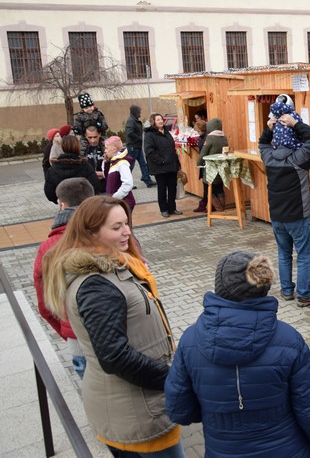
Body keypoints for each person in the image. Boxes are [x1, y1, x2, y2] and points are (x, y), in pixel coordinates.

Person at [41, 196, 184, 458]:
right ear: (90, 233)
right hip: (137, 409)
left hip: (137, 403)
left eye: (126, 223)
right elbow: (114, 356)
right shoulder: (97, 285)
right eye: (116, 227)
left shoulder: (115, 266)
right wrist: (173, 377)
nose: (127, 231)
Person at [165, 250, 310, 458]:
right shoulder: (289, 340)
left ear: (220, 287)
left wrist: (216, 413)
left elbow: (178, 409)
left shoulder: (189, 341)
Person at [258, 94, 310, 307]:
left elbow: (262, 142)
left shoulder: (268, 156)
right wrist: (296, 123)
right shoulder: (298, 158)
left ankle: (287, 291)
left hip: (277, 216)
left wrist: (269, 128)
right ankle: (304, 294)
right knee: (304, 255)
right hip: (298, 216)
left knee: (284, 254)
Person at [33, 177, 94, 379]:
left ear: (62, 205)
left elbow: (44, 305)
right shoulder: (109, 234)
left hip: (77, 338)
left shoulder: (48, 248)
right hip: (119, 334)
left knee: (90, 392)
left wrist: (66, 331)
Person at [144, 113, 182, 218]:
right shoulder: (150, 134)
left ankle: (172, 208)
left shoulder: (167, 132)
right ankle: (164, 209)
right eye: (158, 120)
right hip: (159, 167)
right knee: (162, 188)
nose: (160, 121)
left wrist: (177, 164)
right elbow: (149, 151)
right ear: (153, 122)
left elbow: (172, 148)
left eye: (161, 119)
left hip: (171, 165)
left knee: (172, 187)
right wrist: (161, 161)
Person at [44, 135, 102, 202]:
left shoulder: (53, 169)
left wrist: (60, 200)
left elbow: (49, 192)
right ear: (77, 146)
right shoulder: (85, 166)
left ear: (62, 147)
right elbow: (95, 186)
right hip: (83, 204)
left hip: (64, 204)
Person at [196, 118, 228, 213]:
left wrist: (198, 163)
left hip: (210, 168)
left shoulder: (210, 138)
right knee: (219, 187)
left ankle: (217, 207)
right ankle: (222, 207)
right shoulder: (224, 137)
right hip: (221, 167)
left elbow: (203, 153)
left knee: (208, 188)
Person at [125, 105, 156, 188]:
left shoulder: (134, 120)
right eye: (139, 111)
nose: (140, 113)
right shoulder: (131, 121)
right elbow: (129, 132)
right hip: (133, 147)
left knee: (143, 164)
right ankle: (126, 183)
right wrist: (139, 138)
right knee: (130, 165)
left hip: (137, 146)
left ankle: (147, 179)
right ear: (135, 112)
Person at [104, 135, 136, 215]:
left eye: (106, 148)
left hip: (123, 203)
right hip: (117, 203)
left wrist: (115, 197)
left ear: (114, 149)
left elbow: (128, 183)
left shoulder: (122, 163)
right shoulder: (113, 161)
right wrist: (106, 163)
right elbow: (108, 178)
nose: (105, 151)